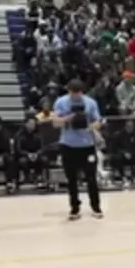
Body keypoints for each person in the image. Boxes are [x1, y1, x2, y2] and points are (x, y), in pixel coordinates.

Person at [50, 79, 103, 220]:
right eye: (73, 92)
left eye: (78, 92)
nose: (76, 95)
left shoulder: (91, 103)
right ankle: (74, 207)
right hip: (68, 146)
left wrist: (90, 127)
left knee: (91, 178)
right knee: (71, 179)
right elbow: (55, 123)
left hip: (87, 146)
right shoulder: (61, 102)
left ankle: (96, 206)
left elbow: (98, 121)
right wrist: (69, 118)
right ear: (69, 91)